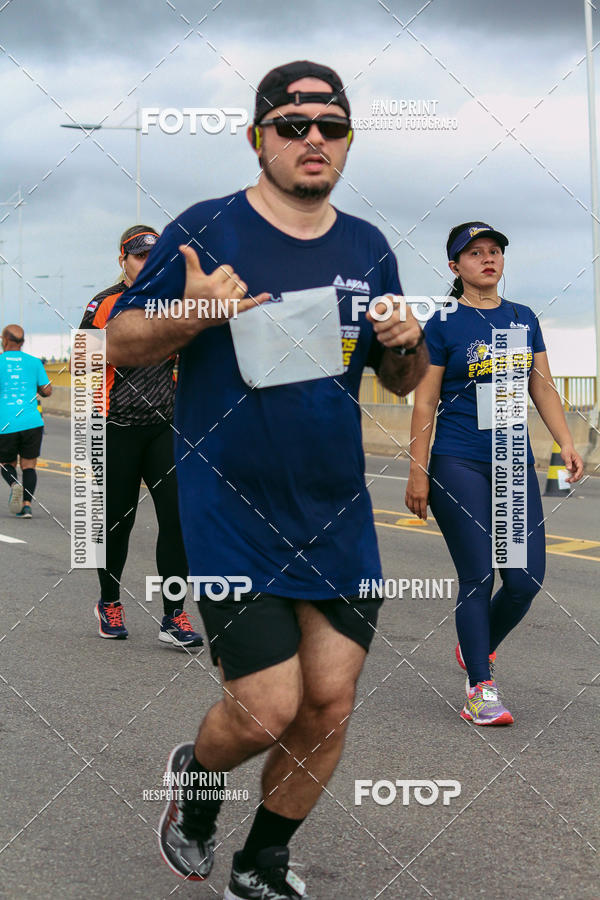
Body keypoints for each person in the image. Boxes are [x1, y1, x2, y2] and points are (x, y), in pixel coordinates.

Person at [106, 61, 428, 898]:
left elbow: (399, 379)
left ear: (347, 141)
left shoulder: (369, 247)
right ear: (259, 139)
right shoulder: (204, 229)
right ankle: (198, 800)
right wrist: (200, 310)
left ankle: (261, 863)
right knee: (264, 707)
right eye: (293, 124)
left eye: (332, 125)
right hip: (231, 507)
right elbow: (120, 342)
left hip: (336, 511)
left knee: (330, 703)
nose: (313, 138)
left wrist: (403, 342)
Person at [406, 221, 584, 726]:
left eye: (494, 251)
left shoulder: (522, 318)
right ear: (455, 266)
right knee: (479, 574)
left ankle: (477, 648)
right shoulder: (442, 321)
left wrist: (565, 440)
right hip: (457, 460)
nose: (488, 259)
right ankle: (479, 689)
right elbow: (425, 403)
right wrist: (418, 471)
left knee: (525, 582)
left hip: (512, 460)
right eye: (475, 253)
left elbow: (542, 387)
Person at [78, 225, 203, 648]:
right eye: (138, 256)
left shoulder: (174, 302)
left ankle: (175, 616)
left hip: (163, 429)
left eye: (154, 257)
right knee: (117, 523)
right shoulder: (104, 303)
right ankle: (109, 602)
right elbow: (85, 366)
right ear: (122, 259)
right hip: (115, 431)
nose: (146, 264)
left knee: (178, 520)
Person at [0, 324, 52, 518]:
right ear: (22, 342)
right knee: (29, 466)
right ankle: (27, 506)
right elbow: (47, 390)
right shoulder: (34, 362)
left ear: (5, 340)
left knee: (6, 463)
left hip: (6, 422)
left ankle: (14, 484)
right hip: (32, 422)